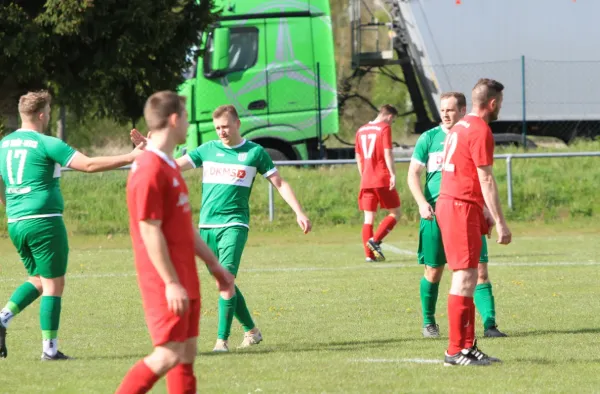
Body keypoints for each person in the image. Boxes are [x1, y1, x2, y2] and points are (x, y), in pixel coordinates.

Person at [130, 104, 311, 352]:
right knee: (224, 280)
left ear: (237, 124)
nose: (221, 132)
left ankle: (221, 342)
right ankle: (252, 331)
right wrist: (149, 149)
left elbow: (279, 183)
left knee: (225, 281)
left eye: (225, 126)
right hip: (206, 227)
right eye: (217, 128)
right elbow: (171, 165)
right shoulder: (207, 149)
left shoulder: (255, 152)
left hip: (235, 225)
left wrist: (298, 211)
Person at [0, 90, 144, 360]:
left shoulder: (4, 144)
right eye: (50, 109)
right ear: (42, 114)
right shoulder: (46, 142)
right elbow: (88, 165)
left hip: (17, 222)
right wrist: (130, 157)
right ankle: (49, 350)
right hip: (44, 221)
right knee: (54, 285)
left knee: (39, 280)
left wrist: (11, 206)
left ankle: (3, 317)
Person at [116, 91, 233, 393]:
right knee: (168, 354)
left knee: (186, 357)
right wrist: (170, 282)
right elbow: (149, 229)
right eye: (185, 116)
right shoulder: (149, 168)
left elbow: (183, 228)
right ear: (174, 119)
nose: (189, 124)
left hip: (186, 278)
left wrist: (214, 265)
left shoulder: (168, 165)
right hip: (165, 282)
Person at [407, 92, 507, 339]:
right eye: (442, 110)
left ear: (462, 110)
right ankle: (429, 322)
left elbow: (482, 176)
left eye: (450, 109)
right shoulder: (429, 138)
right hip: (434, 214)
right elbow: (412, 174)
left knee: (479, 269)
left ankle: (490, 324)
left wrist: (485, 208)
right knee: (434, 271)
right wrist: (421, 203)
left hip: (466, 212)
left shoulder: (466, 135)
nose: (445, 114)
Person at [436, 78, 512, 367]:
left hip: (457, 203)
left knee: (467, 275)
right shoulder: (480, 130)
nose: (500, 108)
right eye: (500, 104)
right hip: (459, 205)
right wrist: (501, 222)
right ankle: (455, 351)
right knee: (465, 276)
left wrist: (482, 210)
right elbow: (486, 178)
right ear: (492, 103)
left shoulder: (460, 126)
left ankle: (467, 347)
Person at [354, 104, 401, 262]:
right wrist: (392, 174)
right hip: (381, 177)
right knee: (395, 213)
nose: (391, 123)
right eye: (392, 120)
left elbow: (359, 157)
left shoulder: (360, 130)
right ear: (389, 116)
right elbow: (388, 152)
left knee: (368, 218)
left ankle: (369, 256)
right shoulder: (384, 128)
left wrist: (364, 176)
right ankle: (375, 240)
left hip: (366, 179)